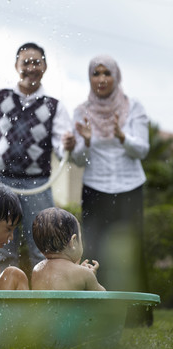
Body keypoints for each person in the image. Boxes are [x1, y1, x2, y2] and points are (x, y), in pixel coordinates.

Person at [0, 42, 75, 274]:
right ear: (16, 66)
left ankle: (44, 304)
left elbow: (63, 151)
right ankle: (0, 302)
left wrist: (69, 145)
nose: (31, 67)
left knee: (44, 248)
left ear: (45, 66)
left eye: (36, 62)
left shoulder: (54, 106)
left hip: (38, 184)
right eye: (26, 62)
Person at [70, 54, 152, 325]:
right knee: (95, 249)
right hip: (95, 188)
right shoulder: (81, 111)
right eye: (96, 73)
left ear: (116, 77)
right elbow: (78, 160)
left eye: (107, 73)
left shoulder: (133, 107)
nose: (101, 79)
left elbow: (143, 149)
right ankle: (101, 314)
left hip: (130, 187)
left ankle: (138, 317)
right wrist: (87, 142)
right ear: (90, 78)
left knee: (132, 248)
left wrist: (121, 136)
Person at [31, 207, 105, 291]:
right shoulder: (84, 274)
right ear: (73, 241)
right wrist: (90, 276)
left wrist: (77, 268)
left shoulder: (37, 271)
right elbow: (104, 299)